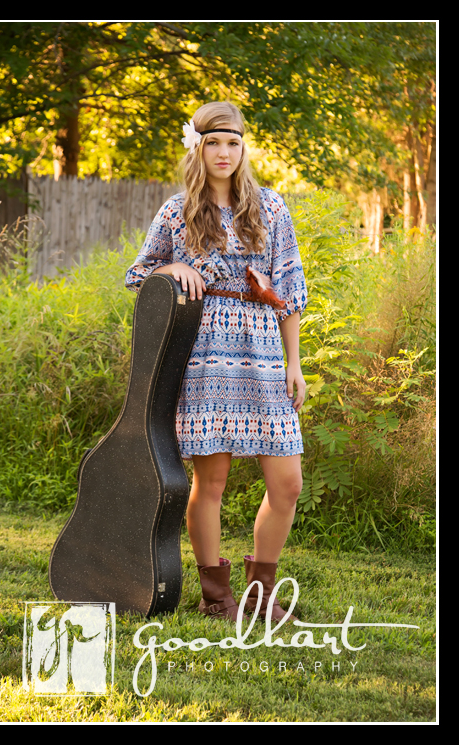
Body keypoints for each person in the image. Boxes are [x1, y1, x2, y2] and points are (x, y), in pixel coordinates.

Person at [125, 101, 308, 622]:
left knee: (287, 482)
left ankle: (259, 595)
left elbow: (290, 292)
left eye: (232, 142)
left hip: (264, 353)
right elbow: (140, 276)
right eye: (212, 143)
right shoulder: (176, 210)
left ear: (244, 147)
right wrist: (175, 265)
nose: (223, 153)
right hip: (205, 354)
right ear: (197, 148)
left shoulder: (271, 208)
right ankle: (216, 598)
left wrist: (294, 364)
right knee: (213, 482)